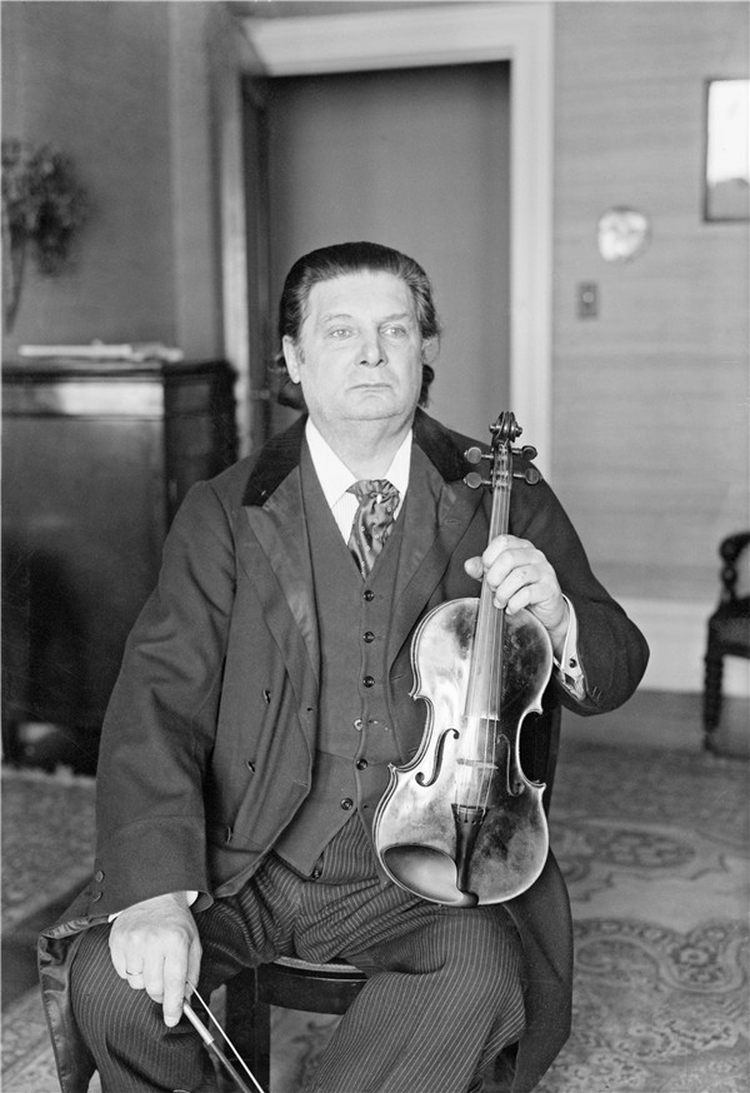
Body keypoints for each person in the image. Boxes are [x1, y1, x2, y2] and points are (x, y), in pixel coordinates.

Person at [40, 241, 649, 1093]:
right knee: (113, 979)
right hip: (244, 853)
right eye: (340, 331)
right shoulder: (225, 508)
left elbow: (619, 658)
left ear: (425, 349)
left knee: (479, 974)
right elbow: (158, 700)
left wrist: (558, 615)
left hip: (432, 861)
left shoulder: (502, 492)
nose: (371, 353)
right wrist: (154, 896)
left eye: (395, 329)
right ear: (294, 358)